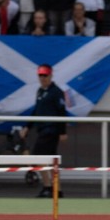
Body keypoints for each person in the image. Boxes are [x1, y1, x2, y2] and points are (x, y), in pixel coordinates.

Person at [19, 64, 68, 198]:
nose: (43, 78)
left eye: (45, 75)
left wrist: (63, 132)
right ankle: (57, 190)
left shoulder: (56, 92)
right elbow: (36, 111)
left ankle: (48, 187)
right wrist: (27, 127)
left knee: (39, 156)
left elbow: (62, 112)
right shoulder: (40, 91)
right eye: (40, 75)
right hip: (42, 129)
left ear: (51, 75)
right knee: (52, 160)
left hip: (51, 129)